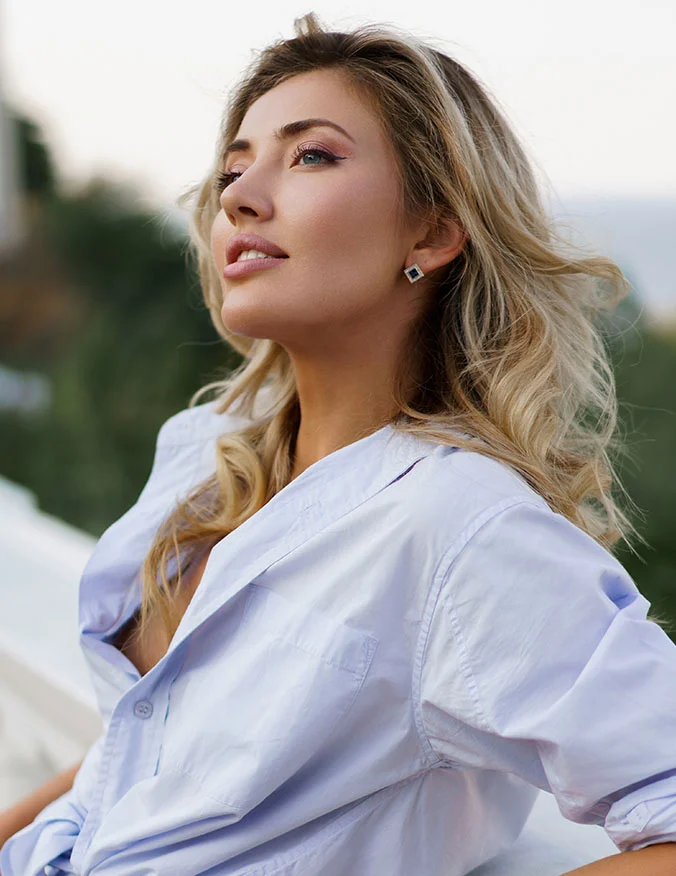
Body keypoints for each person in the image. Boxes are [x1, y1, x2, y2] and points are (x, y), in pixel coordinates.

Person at [2, 11, 676, 875]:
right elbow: (130, 760)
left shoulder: (460, 526)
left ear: (432, 232)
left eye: (312, 154)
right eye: (234, 165)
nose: (240, 193)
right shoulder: (207, 458)